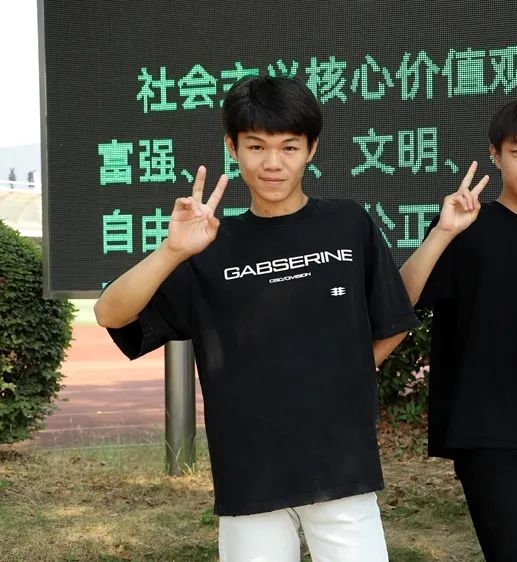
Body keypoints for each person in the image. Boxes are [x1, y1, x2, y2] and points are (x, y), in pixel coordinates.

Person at [93, 75, 418, 561]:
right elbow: (109, 313)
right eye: (256, 146)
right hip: (249, 473)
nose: (272, 163)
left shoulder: (349, 223)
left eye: (289, 147)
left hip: (341, 466)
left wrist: (344, 375)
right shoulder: (207, 246)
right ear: (233, 147)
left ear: (311, 149)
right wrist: (171, 251)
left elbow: (392, 320)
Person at [398, 97, 517, 562]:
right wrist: (443, 232)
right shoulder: (467, 228)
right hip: (483, 428)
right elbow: (402, 299)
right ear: (495, 155)